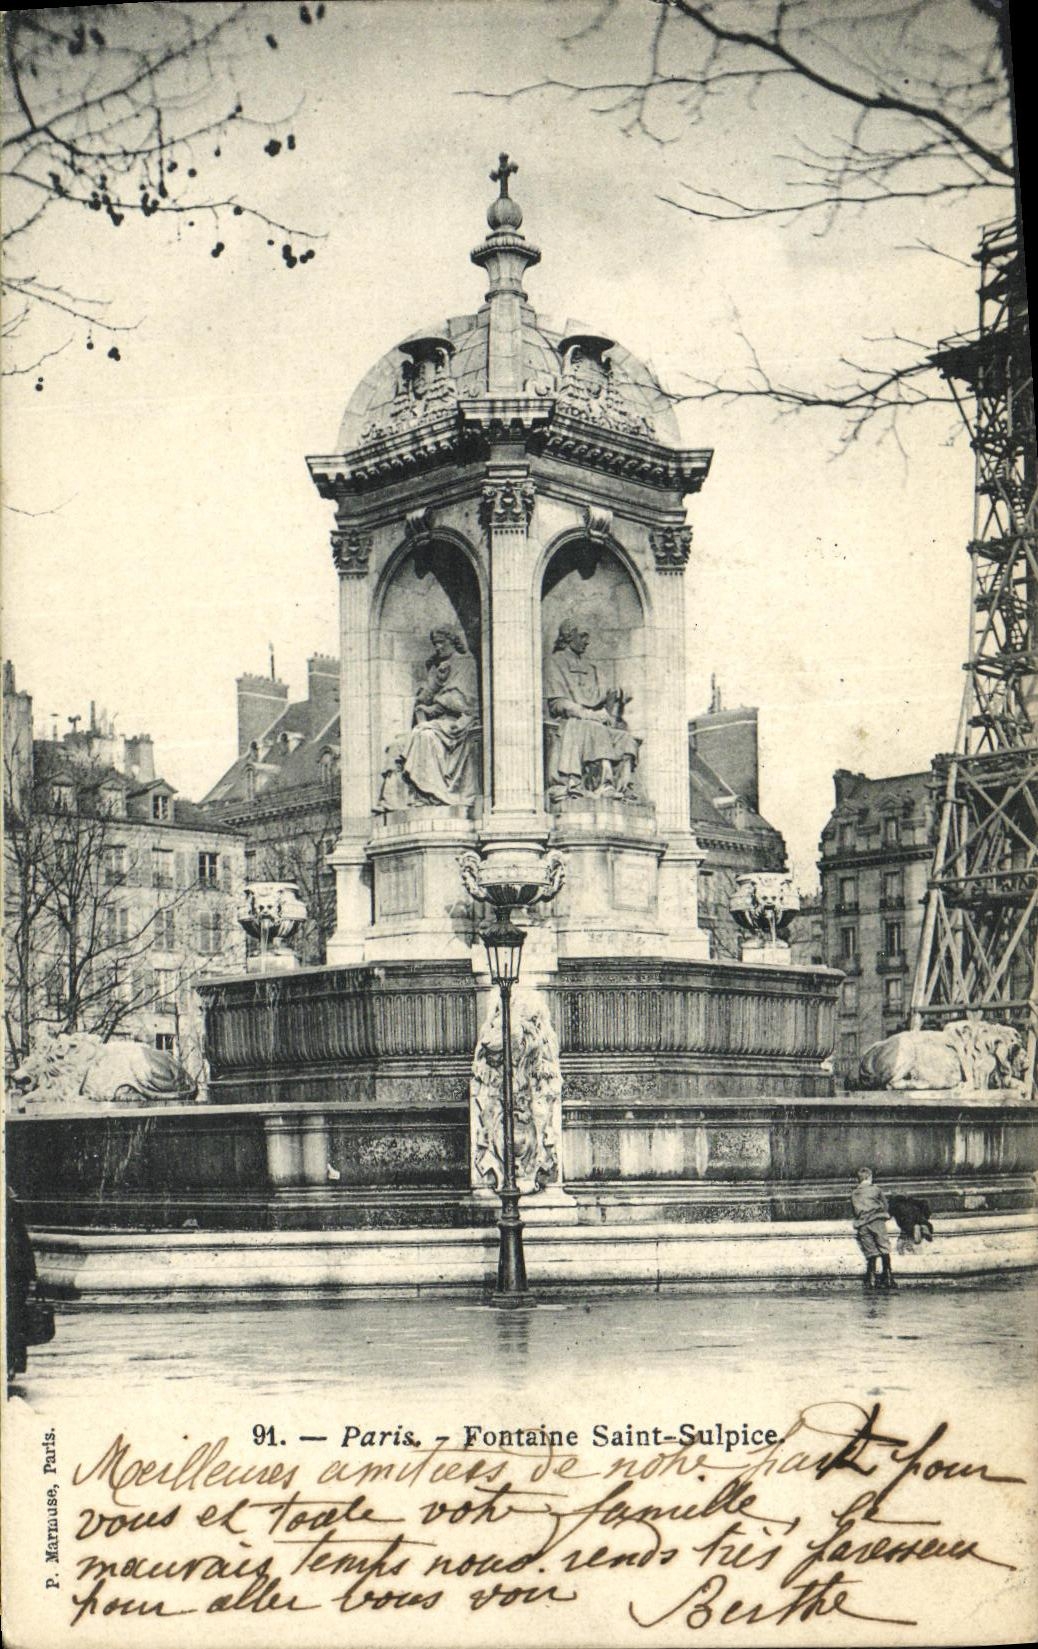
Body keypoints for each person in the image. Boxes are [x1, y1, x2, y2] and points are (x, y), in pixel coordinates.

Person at [545, 618, 639, 800]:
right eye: (583, 636)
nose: (587, 641)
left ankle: (623, 786)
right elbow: (557, 703)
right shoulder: (555, 662)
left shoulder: (591, 667)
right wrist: (590, 715)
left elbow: (600, 694)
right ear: (569, 636)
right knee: (596, 730)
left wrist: (618, 692)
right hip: (570, 723)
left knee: (626, 739)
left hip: (593, 721)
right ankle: (604, 784)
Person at [400, 626, 480, 806]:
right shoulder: (438, 667)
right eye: (435, 644)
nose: (438, 647)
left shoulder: (465, 663)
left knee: (425, 735)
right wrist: (435, 681)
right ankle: (426, 794)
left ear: (452, 642)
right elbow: (424, 697)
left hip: (460, 722)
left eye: (441, 643)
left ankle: (435, 792)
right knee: (410, 739)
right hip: (440, 722)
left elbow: (462, 699)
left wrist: (434, 705)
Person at [851, 1166, 897, 1289]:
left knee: (871, 1252)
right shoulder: (876, 1189)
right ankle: (888, 1277)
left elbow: (855, 1210)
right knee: (884, 1247)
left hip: (862, 1224)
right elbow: (885, 1205)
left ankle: (871, 1279)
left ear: (859, 1180)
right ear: (870, 1177)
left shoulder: (854, 1192)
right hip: (877, 1221)